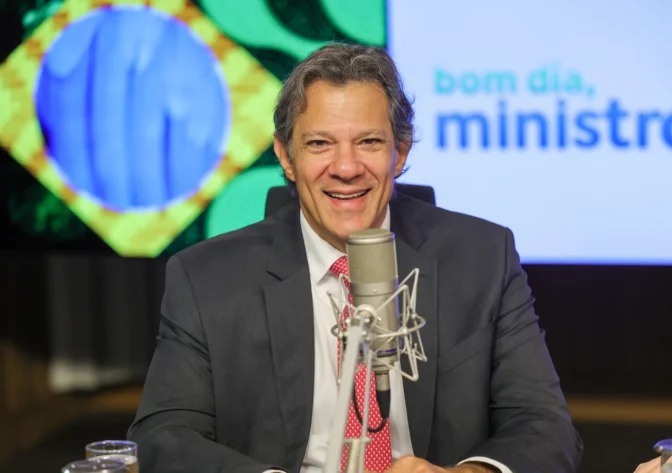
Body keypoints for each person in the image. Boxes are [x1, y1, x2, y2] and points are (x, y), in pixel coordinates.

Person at [127, 43, 584, 473]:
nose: (346, 168)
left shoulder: (483, 259)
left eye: (368, 142)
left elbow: (546, 427)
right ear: (286, 156)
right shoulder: (207, 278)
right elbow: (164, 436)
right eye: (320, 144)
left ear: (399, 153)